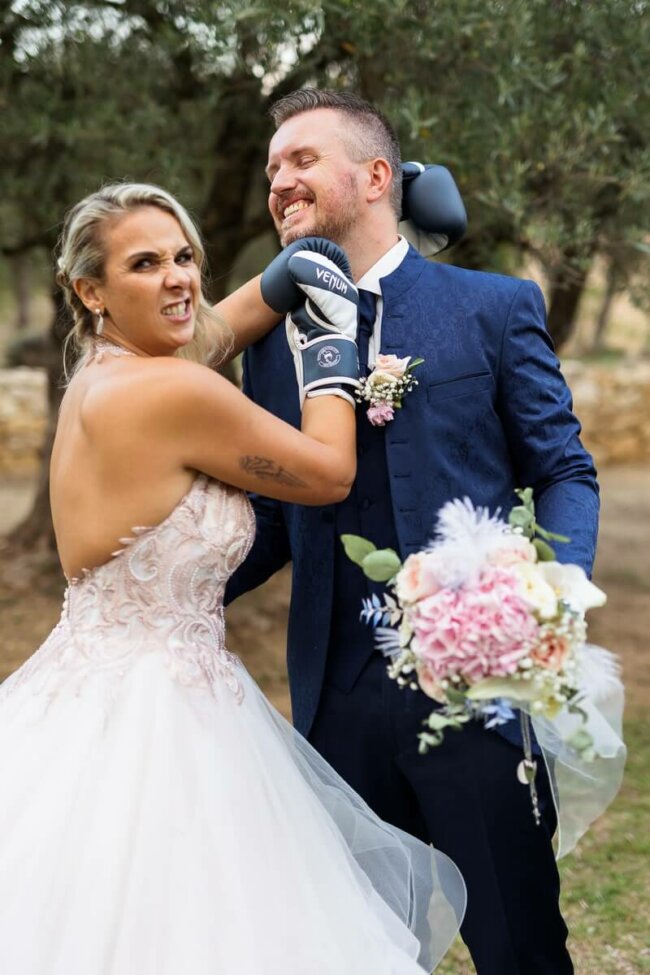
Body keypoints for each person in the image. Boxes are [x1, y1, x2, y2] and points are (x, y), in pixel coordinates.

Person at [0, 183, 466, 973]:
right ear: (91, 289)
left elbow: (210, 329)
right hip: (167, 721)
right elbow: (325, 473)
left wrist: (287, 272)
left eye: (186, 256)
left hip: (82, 694)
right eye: (145, 263)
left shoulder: (101, 374)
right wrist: (329, 350)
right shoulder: (173, 390)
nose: (179, 277)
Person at [226, 88, 602, 974]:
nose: (279, 182)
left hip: (475, 691)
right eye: (272, 167)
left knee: (519, 941)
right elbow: (278, 519)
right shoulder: (268, 344)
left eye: (301, 160)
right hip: (334, 702)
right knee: (355, 946)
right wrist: (175, 590)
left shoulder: (494, 307)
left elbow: (563, 471)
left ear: (376, 176)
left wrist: (549, 597)